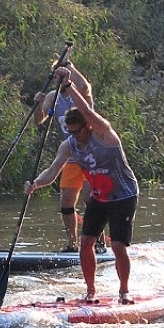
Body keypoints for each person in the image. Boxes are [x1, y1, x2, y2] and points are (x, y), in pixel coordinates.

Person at [25, 82, 138, 304]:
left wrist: (68, 87)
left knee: (117, 245)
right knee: (86, 242)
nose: (74, 136)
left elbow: (86, 110)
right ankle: (90, 291)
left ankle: (124, 292)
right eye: (70, 132)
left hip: (124, 195)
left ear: (88, 126)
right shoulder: (69, 145)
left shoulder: (105, 135)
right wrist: (35, 184)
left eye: (77, 131)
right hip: (99, 196)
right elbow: (53, 170)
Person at [33, 62, 95, 251]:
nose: (58, 78)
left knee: (88, 199)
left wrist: (70, 66)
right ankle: (72, 245)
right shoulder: (52, 97)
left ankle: (97, 241)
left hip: (90, 154)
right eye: (56, 75)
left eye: (62, 74)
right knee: (66, 201)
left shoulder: (79, 96)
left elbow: (85, 87)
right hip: (69, 154)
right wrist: (37, 104)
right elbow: (38, 120)